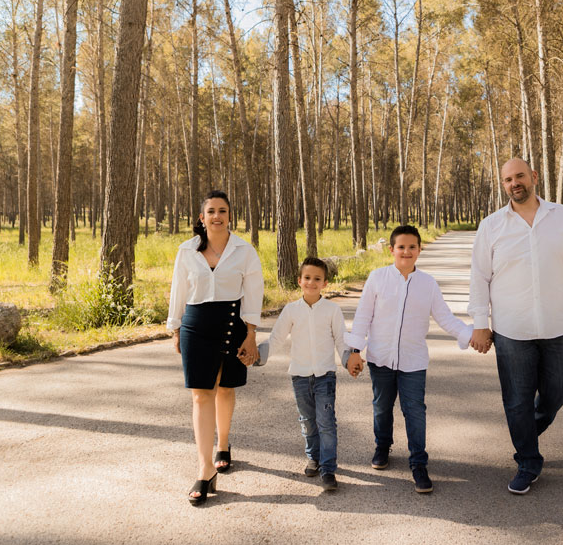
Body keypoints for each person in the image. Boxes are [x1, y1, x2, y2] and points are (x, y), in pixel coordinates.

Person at [467, 158, 563, 495]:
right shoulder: (492, 226)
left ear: (534, 177)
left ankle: (526, 430)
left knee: (559, 388)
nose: (515, 183)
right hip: (512, 331)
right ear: (504, 185)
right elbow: (479, 279)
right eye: (508, 179)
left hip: (558, 326)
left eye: (520, 176)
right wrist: (480, 324)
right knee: (517, 401)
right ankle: (528, 460)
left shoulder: (562, 217)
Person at [345, 225, 472, 494]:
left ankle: (418, 463)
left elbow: (445, 317)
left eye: (412, 247)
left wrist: (470, 335)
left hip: (413, 362)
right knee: (381, 406)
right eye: (401, 247)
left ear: (419, 250)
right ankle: (382, 447)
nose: (406, 251)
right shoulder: (377, 278)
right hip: (380, 359)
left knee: (415, 411)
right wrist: (355, 350)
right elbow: (362, 317)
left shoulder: (427, 284)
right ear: (391, 250)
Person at [167, 190, 263, 506]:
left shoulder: (244, 251)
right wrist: (176, 327)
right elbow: (178, 289)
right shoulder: (187, 250)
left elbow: (253, 293)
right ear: (202, 217)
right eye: (211, 211)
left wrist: (250, 334)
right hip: (195, 323)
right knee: (200, 393)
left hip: (231, 323)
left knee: (224, 389)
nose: (217, 216)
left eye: (223, 210)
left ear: (230, 215)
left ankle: (224, 444)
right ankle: (205, 468)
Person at [267, 256, 354, 492]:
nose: (311, 282)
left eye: (317, 279)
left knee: (326, 423)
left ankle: (328, 469)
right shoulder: (291, 310)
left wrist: (347, 359)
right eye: (307, 278)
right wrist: (259, 355)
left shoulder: (332, 310)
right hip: (300, 376)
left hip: (325, 376)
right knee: (307, 421)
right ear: (299, 281)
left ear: (325, 283)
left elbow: (341, 339)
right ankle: (313, 458)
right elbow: (276, 337)